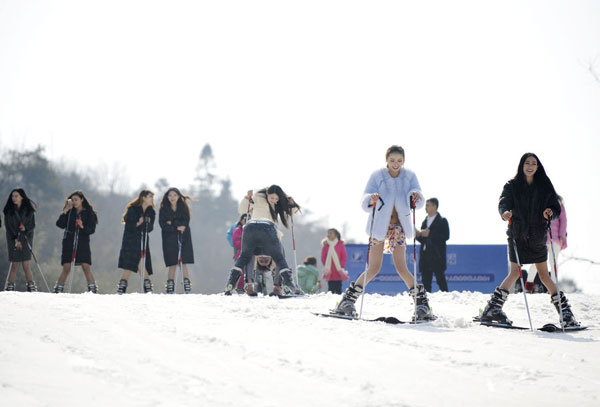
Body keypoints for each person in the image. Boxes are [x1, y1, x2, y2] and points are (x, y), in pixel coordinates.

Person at [333, 145, 434, 320]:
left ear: (404, 161)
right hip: (379, 225)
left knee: (402, 267)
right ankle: (347, 301)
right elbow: (365, 197)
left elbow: (418, 196)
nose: (396, 164)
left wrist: (415, 196)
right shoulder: (377, 176)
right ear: (386, 160)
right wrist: (370, 198)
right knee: (373, 267)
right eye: (392, 160)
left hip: (399, 227)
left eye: (399, 160)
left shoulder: (409, 176)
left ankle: (422, 305)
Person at [480, 153, 579, 327]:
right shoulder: (512, 185)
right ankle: (493, 309)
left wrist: (550, 211)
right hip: (517, 235)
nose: (530, 166)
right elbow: (503, 202)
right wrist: (504, 213)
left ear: (538, 167)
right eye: (527, 163)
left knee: (544, 275)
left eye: (534, 163)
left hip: (537, 236)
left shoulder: (544, 185)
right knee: (515, 272)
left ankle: (566, 314)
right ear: (522, 165)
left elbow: (555, 206)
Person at [224, 185, 302, 295]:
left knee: (245, 256)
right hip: (268, 230)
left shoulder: (261, 199)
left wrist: (292, 204)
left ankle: (235, 284)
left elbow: (293, 213)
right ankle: (283, 285)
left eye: (276, 199)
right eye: (272, 198)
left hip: (250, 230)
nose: (274, 201)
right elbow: (242, 210)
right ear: (267, 194)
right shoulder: (257, 198)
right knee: (279, 257)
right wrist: (247, 198)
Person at [54, 191, 99, 293]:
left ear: (82, 200)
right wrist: (65, 211)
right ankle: (58, 289)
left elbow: (91, 229)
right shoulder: (69, 212)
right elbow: (60, 224)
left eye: (76, 200)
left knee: (85, 266)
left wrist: (82, 226)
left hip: (82, 242)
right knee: (66, 267)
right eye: (72, 200)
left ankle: (92, 289)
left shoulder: (88, 213)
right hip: (68, 241)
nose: (74, 202)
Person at [522, 194, 568, 293]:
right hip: (541, 238)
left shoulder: (558, 204)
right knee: (537, 262)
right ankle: (529, 285)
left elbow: (563, 220)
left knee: (553, 262)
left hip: (555, 239)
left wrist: (562, 236)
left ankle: (553, 287)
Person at [116, 190, 156, 294]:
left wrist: (148, 223)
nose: (152, 199)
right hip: (131, 240)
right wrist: (138, 223)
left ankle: (122, 287)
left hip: (143, 239)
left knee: (136, 263)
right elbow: (128, 223)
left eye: (152, 197)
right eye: (150, 197)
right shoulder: (133, 209)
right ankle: (148, 288)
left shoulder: (151, 212)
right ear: (143, 198)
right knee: (135, 262)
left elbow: (150, 228)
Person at [159, 187, 194, 294]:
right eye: (170, 195)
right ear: (167, 197)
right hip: (169, 239)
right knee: (172, 263)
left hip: (184, 237)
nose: (172, 197)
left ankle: (186, 286)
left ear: (179, 196)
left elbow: (185, 222)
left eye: (174, 195)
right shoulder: (164, 209)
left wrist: (173, 223)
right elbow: (163, 225)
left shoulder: (183, 207)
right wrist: (176, 227)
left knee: (183, 262)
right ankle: (170, 286)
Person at [3, 188, 37, 292]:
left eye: (16, 196)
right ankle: (10, 286)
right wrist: (15, 240)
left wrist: (25, 229)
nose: (14, 198)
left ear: (22, 197)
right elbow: (8, 227)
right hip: (13, 239)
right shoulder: (9, 212)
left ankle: (31, 286)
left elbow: (32, 225)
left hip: (26, 239)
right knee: (14, 264)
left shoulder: (29, 211)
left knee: (26, 264)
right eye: (13, 196)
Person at [415, 198, 450, 292]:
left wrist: (431, 234)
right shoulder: (424, 221)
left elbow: (446, 236)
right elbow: (423, 240)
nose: (425, 207)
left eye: (428, 205)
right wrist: (417, 235)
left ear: (434, 206)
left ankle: (446, 298)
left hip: (437, 255)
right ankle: (426, 302)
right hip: (425, 256)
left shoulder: (442, 221)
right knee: (425, 281)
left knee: (440, 280)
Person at [321, 228, 348, 294]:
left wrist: (341, 266)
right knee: (331, 289)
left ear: (336, 235)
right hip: (330, 271)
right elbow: (323, 257)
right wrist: (326, 266)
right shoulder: (326, 245)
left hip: (338, 270)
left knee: (338, 288)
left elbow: (344, 257)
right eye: (328, 233)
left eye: (331, 233)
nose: (329, 235)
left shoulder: (340, 245)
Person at [232, 213, 248, 292]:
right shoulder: (237, 230)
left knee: (249, 271)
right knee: (240, 271)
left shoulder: (250, 231)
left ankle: (248, 286)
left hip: (249, 253)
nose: (245, 221)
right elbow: (236, 242)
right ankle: (239, 287)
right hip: (240, 253)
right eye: (244, 220)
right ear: (241, 220)